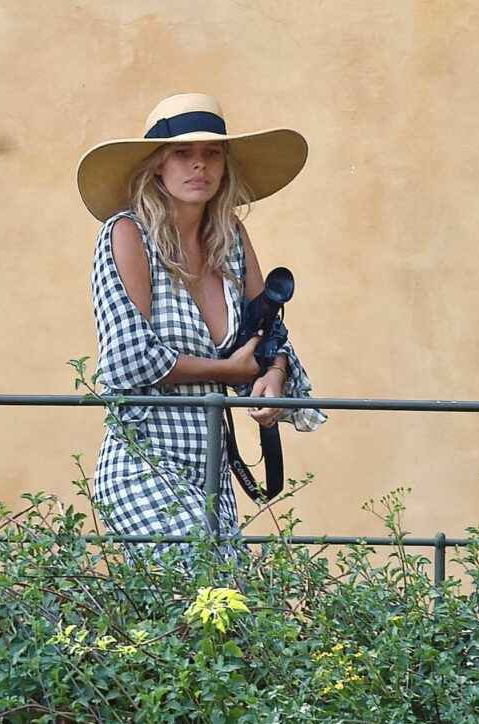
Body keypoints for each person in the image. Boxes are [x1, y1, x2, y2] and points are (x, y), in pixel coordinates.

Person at [75, 92, 325, 548]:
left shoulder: (229, 238)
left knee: (225, 610)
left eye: (212, 154)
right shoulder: (127, 234)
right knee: (205, 587)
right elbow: (128, 360)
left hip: (211, 471)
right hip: (144, 465)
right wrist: (228, 372)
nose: (199, 167)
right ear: (156, 165)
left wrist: (274, 374)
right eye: (183, 154)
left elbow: (266, 332)